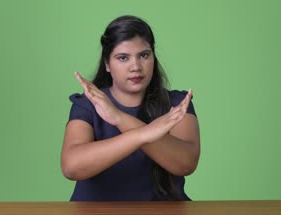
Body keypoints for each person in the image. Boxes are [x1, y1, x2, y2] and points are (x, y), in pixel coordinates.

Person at [61, 15, 200, 201]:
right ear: (107, 64)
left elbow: (186, 163)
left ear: (153, 56)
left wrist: (120, 118)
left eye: (144, 55)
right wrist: (143, 134)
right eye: (123, 58)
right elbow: (71, 167)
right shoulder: (88, 104)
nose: (136, 66)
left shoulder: (177, 103)